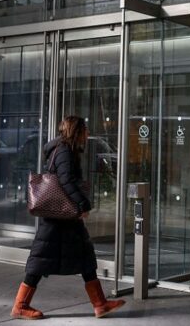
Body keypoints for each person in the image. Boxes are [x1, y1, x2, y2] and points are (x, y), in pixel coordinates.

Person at [11, 116, 125, 320]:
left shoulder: (66, 149)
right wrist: (82, 204)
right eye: (85, 129)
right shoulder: (63, 150)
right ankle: (20, 305)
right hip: (57, 219)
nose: (88, 133)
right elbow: (66, 180)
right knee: (40, 260)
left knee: (85, 256)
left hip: (65, 219)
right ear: (77, 131)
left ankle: (100, 304)